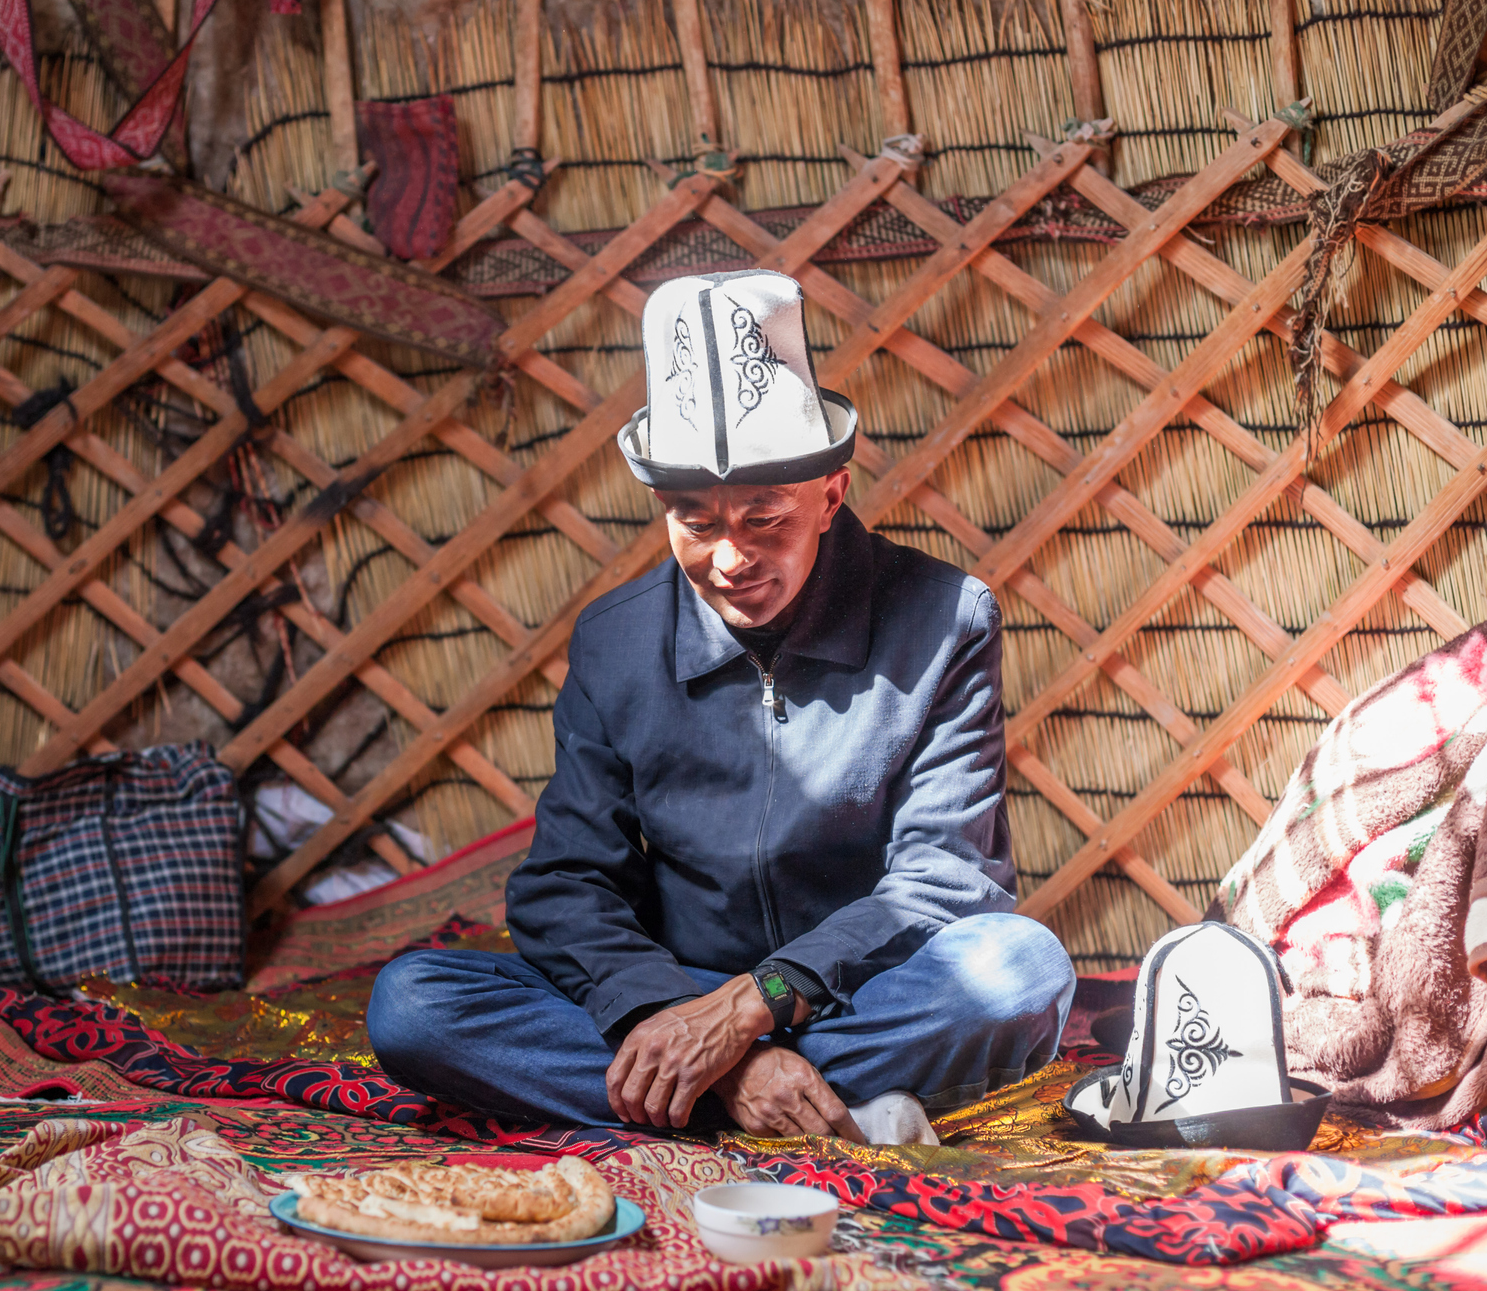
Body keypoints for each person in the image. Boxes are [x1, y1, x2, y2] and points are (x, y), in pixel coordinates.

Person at [367, 269, 1075, 1146]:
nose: (730, 556)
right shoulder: (615, 642)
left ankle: (700, 1101)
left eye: (764, 518)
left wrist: (760, 1004)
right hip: (676, 991)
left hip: (853, 989)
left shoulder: (940, 621)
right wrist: (696, 1031)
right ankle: (813, 1109)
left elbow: (943, 878)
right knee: (413, 1005)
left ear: (831, 494)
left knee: (1017, 969)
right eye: (695, 521)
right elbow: (567, 883)